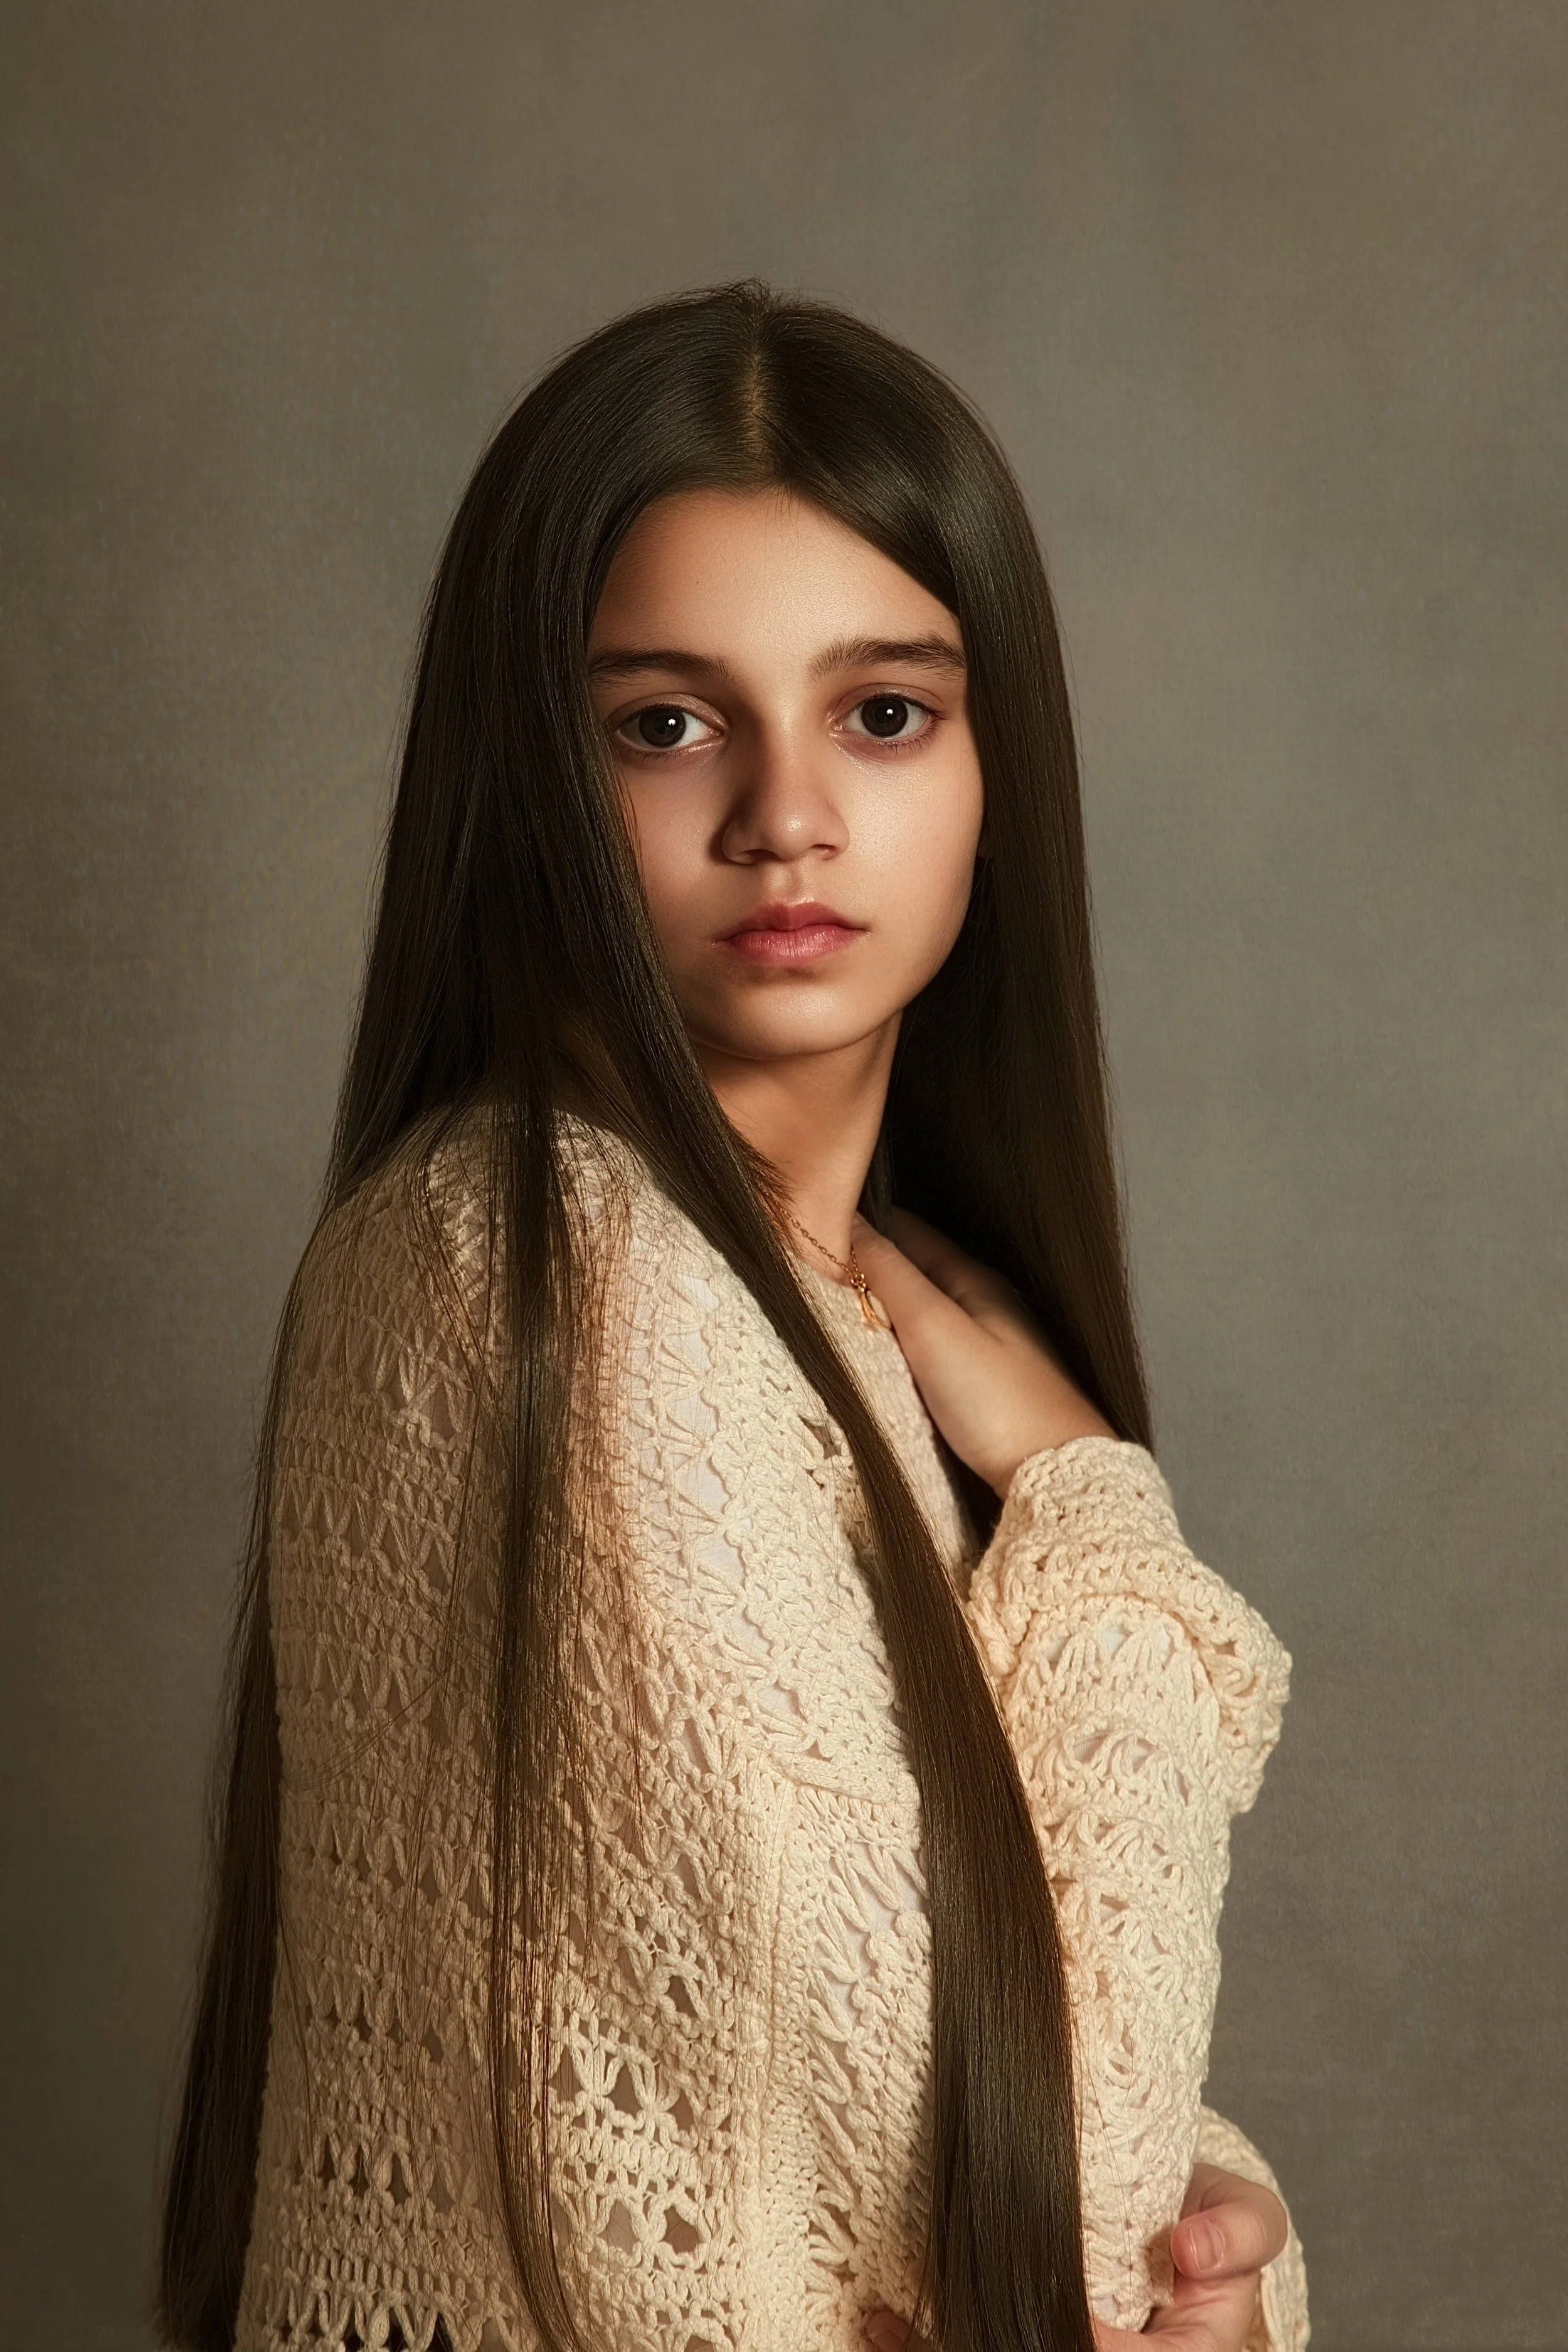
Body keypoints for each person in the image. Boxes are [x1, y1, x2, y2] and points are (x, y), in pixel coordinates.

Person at [157, 282, 1308, 2352]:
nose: (785, 813)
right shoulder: (560, 1281)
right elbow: (1042, 2191)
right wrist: (1093, 1506)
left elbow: (920, 2091)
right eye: (664, 720)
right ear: (532, 771)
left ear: (992, 766)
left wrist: (1223, 2252)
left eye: (881, 711)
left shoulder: (788, 1311)